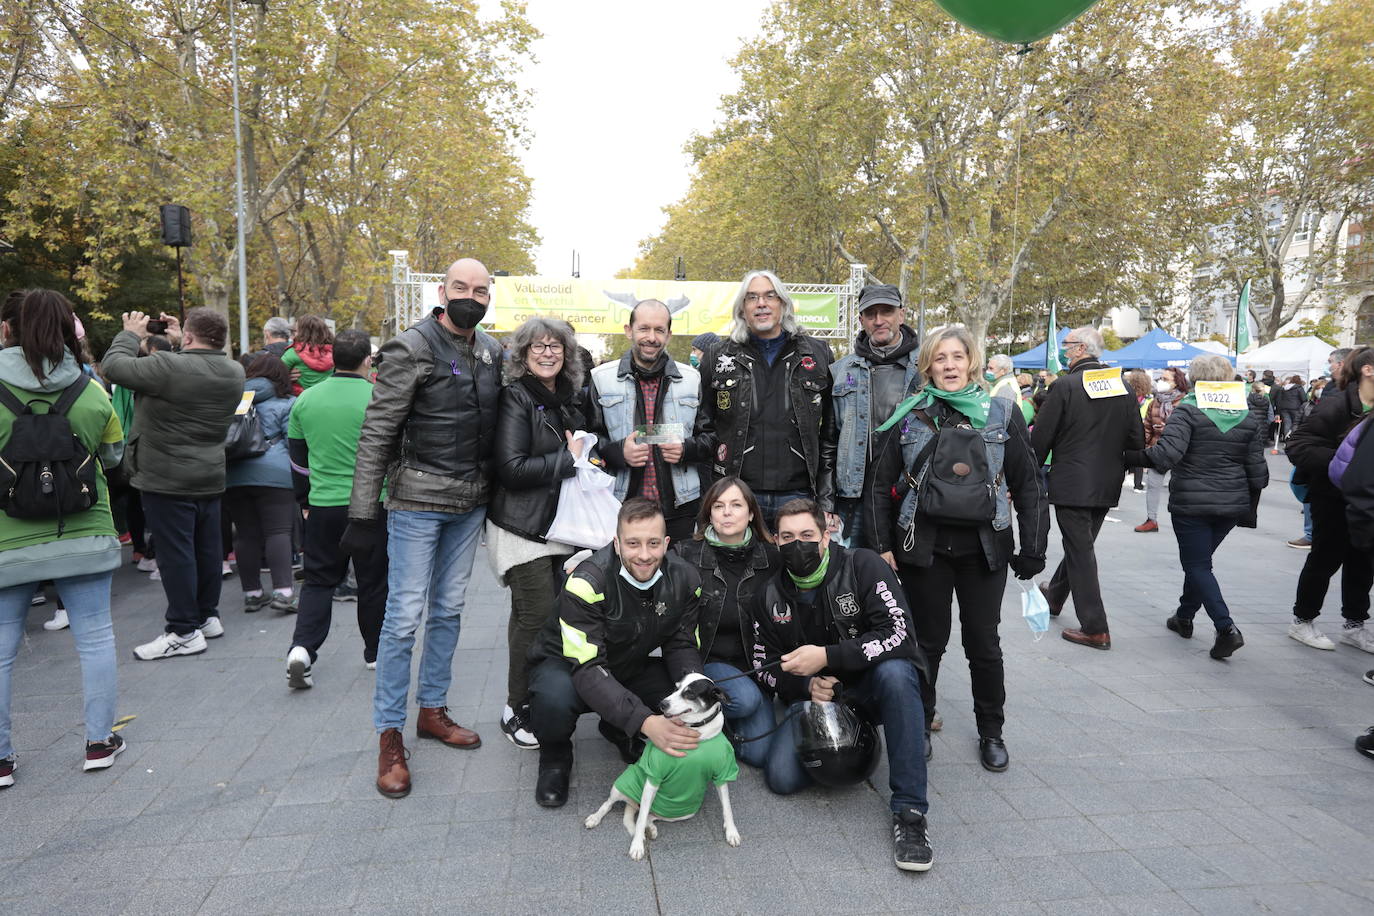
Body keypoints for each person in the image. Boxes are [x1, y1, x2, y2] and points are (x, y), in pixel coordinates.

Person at [349, 257, 504, 799]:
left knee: (450, 610)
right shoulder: (411, 347)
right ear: (442, 291)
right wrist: (362, 514)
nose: (470, 296)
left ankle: (432, 710)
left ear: (490, 296)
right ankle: (389, 734)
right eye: (461, 287)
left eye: (480, 290)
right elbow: (377, 434)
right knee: (403, 617)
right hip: (416, 503)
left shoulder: (491, 351)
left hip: (470, 504)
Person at [867, 324, 1048, 773]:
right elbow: (876, 483)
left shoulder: (1003, 413)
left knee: (983, 644)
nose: (949, 366)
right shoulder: (909, 414)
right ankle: (920, 724)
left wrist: (1034, 546)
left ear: (972, 362)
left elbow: (1029, 485)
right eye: (939, 358)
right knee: (926, 644)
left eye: (957, 357)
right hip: (923, 547)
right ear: (927, 365)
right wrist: (882, 547)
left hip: (985, 549)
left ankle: (992, 731)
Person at [749, 498, 933, 872]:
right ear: (774, 540)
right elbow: (760, 665)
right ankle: (857, 740)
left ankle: (911, 813)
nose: (796, 544)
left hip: (868, 688)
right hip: (815, 697)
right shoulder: (767, 593)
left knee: (897, 674)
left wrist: (829, 656)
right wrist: (804, 688)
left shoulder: (864, 565)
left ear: (826, 534)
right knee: (782, 778)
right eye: (786, 537)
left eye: (806, 534)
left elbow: (900, 635)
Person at [0, 290, 127, 788]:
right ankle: (98, 743)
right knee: (94, 638)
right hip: (83, 529)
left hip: (7, 538)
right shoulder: (90, 388)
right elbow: (113, 458)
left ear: (7, 329)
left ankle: (3, 759)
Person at [525, 498, 703, 808]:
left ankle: (617, 727)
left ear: (667, 542)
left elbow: (681, 644)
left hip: (627, 661)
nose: (644, 555)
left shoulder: (686, 578)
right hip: (569, 665)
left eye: (653, 543)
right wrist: (647, 721)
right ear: (617, 544)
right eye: (633, 543)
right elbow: (589, 667)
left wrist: (694, 695)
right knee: (554, 695)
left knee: (675, 691)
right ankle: (555, 756)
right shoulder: (586, 581)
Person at [102, 309, 245, 660]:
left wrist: (131, 335)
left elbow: (113, 367)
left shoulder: (169, 367)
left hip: (166, 477)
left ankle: (183, 630)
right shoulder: (234, 370)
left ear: (191, 338)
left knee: (175, 554)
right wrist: (185, 343)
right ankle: (206, 615)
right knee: (206, 549)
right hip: (208, 474)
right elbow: (197, 365)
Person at [487, 318, 590, 748]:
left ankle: (533, 696)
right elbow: (510, 469)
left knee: (537, 615)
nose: (548, 354)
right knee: (535, 615)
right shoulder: (516, 396)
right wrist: (568, 461)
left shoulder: (564, 399)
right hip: (520, 526)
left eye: (556, 348)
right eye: (539, 347)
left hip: (555, 526)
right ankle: (516, 707)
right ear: (523, 354)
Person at [1126, 355, 1268, 660]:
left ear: (1195, 378)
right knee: (1201, 563)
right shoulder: (1247, 413)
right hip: (1231, 505)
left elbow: (1166, 455)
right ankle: (1184, 616)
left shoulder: (1188, 409)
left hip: (1192, 502)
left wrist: (1127, 456)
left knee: (1198, 565)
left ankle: (1226, 628)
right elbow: (1259, 472)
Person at [1030, 326, 1144, 650]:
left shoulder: (1064, 385)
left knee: (1081, 551)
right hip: (1107, 483)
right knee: (1079, 547)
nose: (1064, 352)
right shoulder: (1121, 385)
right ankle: (1053, 596)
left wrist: (1024, 476)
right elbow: (1135, 438)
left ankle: (1096, 628)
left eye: (1066, 347)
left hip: (1071, 482)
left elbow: (1041, 438)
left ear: (1080, 349)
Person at [694, 270, 836, 527]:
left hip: (801, 495)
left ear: (783, 304)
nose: (761, 303)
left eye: (770, 296)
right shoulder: (717, 357)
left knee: (796, 567)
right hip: (737, 495)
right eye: (752, 297)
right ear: (742, 309)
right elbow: (703, 429)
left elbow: (831, 434)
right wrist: (713, 496)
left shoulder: (818, 354)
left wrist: (826, 501)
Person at [284, 330, 386, 687]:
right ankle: (375, 652)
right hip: (373, 505)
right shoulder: (379, 397)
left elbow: (298, 460)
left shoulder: (306, 400)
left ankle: (302, 649)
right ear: (367, 360)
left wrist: (304, 501)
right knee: (373, 582)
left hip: (323, 504)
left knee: (318, 582)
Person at [672, 476, 780, 762]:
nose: (727, 512)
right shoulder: (686, 554)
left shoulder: (770, 557)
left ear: (751, 513)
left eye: (736, 505)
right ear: (709, 514)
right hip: (705, 662)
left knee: (759, 753)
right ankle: (705, 714)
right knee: (744, 700)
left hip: (753, 667)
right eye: (718, 506)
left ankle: (715, 723)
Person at [588, 300, 703, 541]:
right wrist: (618, 452)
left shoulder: (692, 379)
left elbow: (712, 436)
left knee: (679, 576)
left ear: (669, 335)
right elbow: (587, 440)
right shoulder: (600, 379)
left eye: (659, 330)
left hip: (679, 508)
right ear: (629, 330)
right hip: (620, 504)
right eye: (644, 328)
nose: (651, 337)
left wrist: (686, 449)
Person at [1284, 346, 1374, 653]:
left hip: (1366, 499)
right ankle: (1302, 621)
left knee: (1363, 562)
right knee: (1325, 559)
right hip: (1331, 498)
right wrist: (1345, 462)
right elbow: (1297, 445)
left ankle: (1354, 625)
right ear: (1368, 370)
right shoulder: (1336, 404)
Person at [828, 284, 920, 550]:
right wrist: (826, 501)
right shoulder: (839, 371)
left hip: (911, 495)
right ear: (861, 320)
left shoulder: (928, 367)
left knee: (911, 585)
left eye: (887, 311)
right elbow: (828, 442)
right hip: (853, 498)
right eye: (871, 314)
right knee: (851, 579)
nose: (879, 320)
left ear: (901, 315)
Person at [225, 354, 298, 612]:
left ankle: (253, 593)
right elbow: (294, 443)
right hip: (276, 476)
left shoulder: (235, 399)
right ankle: (283, 592)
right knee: (277, 532)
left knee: (245, 534)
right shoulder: (287, 403)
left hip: (235, 474)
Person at [1135, 367, 1187, 533]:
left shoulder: (1185, 401)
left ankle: (1186, 520)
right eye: (1161, 378)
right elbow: (1147, 427)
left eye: (1166, 379)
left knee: (1182, 486)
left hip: (1182, 450)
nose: (1161, 382)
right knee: (1153, 484)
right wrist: (1145, 449)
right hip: (1159, 448)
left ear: (1177, 382)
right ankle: (1152, 520)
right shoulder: (1155, 401)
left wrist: (1169, 428)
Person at [281, 314, 334, 394]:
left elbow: (276, 375)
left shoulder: (293, 353)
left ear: (302, 333)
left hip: (300, 398)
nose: (293, 336)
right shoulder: (334, 353)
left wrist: (287, 377)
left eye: (295, 331)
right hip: (327, 395)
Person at [1125, 369, 1153, 493]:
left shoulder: (1126, 396)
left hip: (1126, 429)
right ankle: (1138, 484)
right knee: (1138, 455)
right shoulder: (1148, 400)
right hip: (1141, 430)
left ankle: (1127, 476)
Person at [1272, 375, 1306, 445]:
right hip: (1296, 408)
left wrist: (1279, 410)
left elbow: (1279, 399)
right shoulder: (1299, 388)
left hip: (1284, 408)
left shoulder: (1283, 388)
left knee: (1287, 424)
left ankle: (1287, 439)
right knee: (1295, 424)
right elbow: (1304, 399)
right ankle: (1295, 439)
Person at [1247, 381, 1275, 449]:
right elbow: (1271, 416)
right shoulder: (1266, 400)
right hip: (1263, 429)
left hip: (1250, 427)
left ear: (1252, 389)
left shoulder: (1247, 399)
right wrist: (1266, 424)